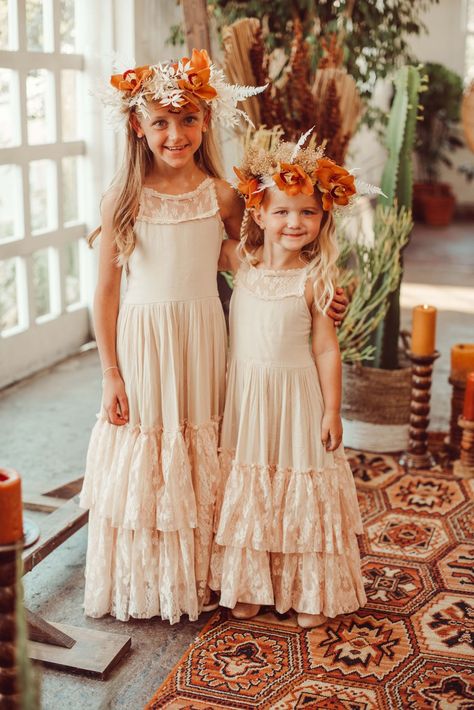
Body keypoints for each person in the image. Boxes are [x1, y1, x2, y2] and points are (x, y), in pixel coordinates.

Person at [80, 50, 347, 625]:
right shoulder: (121, 200)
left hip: (204, 340)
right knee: (152, 449)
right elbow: (104, 293)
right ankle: (153, 581)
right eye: (161, 122)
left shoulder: (224, 195)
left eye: (188, 120)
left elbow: (260, 260)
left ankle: (212, 573)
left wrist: (318, 289)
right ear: (138, 126)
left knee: (207, 447)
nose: (176, 134)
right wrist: (110, 372)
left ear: (205, 123)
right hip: (145, 344)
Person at [210, 135, 366, 628]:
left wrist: (332, 409)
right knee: (255, 481)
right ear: (258, 214)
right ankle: (252, 582)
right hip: (250, 398)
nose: (294, 223)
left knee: (302, 485)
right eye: (281, 211)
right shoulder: (240, 262)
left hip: (298, 399)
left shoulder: (316, 278)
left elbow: (325, 347)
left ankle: (311, 590)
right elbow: (189, 225)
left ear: (323, 220)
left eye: (307, 213)